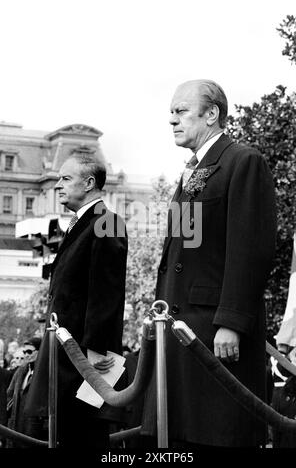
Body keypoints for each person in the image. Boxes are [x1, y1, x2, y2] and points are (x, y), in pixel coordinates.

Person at [141, 79, 277, 447]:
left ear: (212, 114)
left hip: (215, 332)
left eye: (181, 111)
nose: (172, 120)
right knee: (180, 440)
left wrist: (231, 322)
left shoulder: (243, 161)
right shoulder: (192, 171)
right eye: (171, 112)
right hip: (181, 330)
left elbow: (251, 249)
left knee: (216, 438)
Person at [25, 150, 128, 449]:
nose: (58, 185)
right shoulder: (80, 223)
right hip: (68, 359)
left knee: (84, 436)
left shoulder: (107, 222)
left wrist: (96, 354)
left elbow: (106, 292)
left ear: (89, 183)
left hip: (85, 363)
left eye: (66, 178)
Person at [6, 337, 44, 448]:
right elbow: (10, 393)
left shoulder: (45, 372)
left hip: (34, 426)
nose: (26, 355)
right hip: (16, 422)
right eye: (24, 351)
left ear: (39, 351)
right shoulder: (21, 371)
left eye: (29, 352)